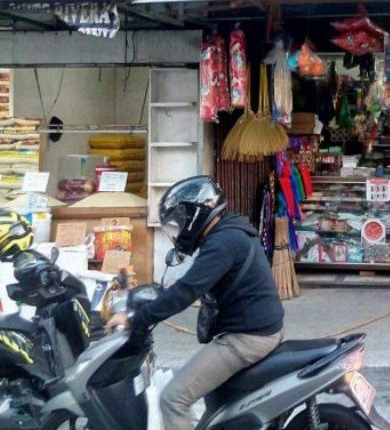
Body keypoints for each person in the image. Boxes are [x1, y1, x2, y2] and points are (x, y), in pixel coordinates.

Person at [106, 176, 285, 430]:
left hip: (247, 338)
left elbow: (186, 292)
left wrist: (137, 319)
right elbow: (188, 285)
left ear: (194, 216)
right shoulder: (231, 232)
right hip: (259, 329)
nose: (178, 230)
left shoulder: (222, 244)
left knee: (173, 399)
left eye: (179, 221)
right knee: (212, 395)